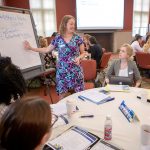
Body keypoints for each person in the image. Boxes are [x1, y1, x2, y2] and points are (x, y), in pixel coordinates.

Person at [24, 15, 86, 100]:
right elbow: (46, 49)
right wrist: (31, 48)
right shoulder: (58, 38)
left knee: (79, 95)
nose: (73, 26)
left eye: (74, 24)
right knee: (62, 96)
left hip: (75, 70)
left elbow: (83, 53)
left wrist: (79, 57)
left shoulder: (78, 38)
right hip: (62, 71)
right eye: (71, 24)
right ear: (65, 24)